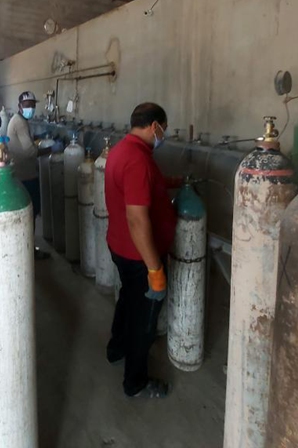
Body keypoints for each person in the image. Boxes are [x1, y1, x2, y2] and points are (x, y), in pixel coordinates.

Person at [105, 102, 179, 399]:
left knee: (127, 299)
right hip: (140, 257)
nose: (164, 134)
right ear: (154, 126)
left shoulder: (124, 150)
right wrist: (154, 269)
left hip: (120, 248)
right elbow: (137, 219)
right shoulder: (137, 160)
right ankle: (135, 382)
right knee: (144, 321)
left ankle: (115, 349)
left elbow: (148, 185)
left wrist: (178, 182)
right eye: (164, 128)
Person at [7, 91, 53, 260]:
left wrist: (37, 137)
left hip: (20, 172)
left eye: (33, 105)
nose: (31, 108)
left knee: (27, 213)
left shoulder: (19, 120)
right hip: (25, 175)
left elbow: (23, 142)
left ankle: (25, 248)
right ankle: (29, 251)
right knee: (30, 213)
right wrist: (51, 149)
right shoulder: (20, 123)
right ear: (20, 106)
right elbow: (30, 152)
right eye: (27, 105)